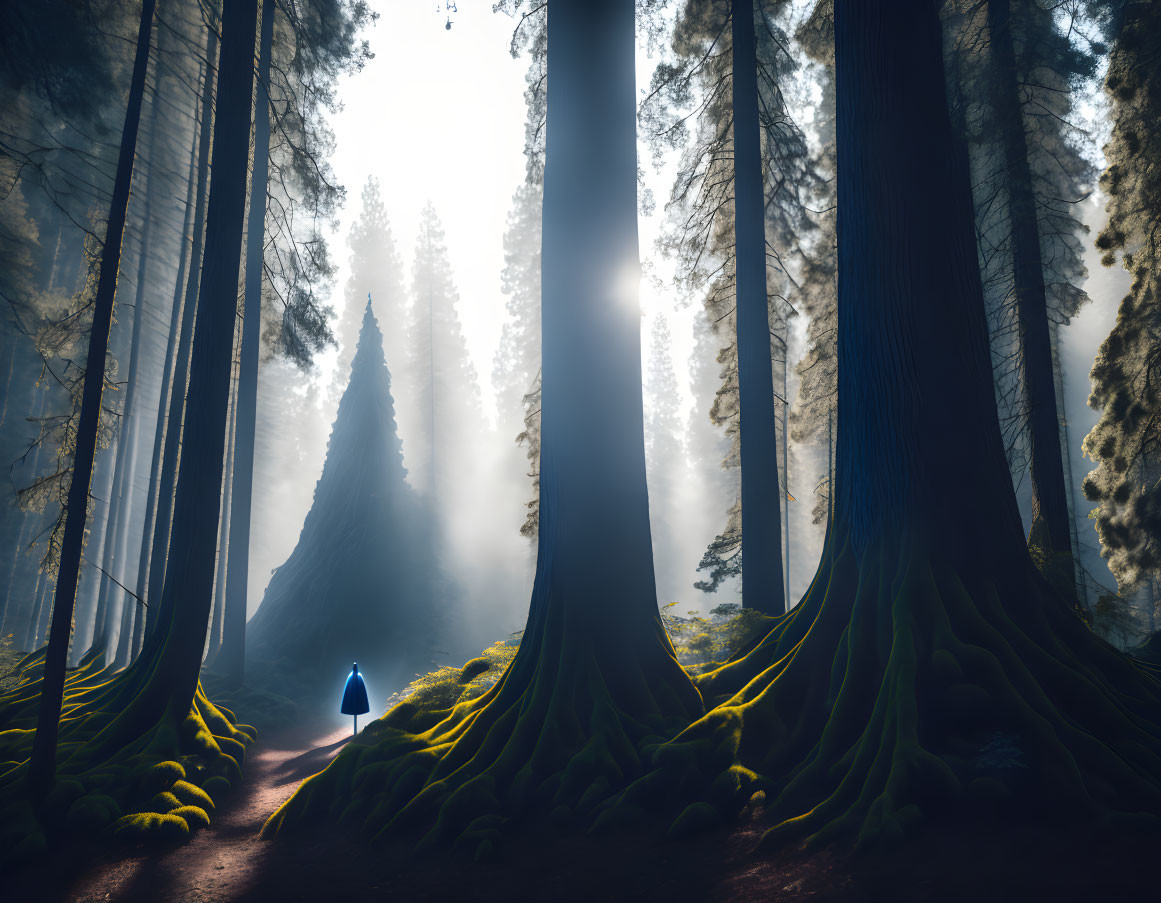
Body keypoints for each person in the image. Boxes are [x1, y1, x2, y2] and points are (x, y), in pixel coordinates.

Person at [341, 662, 370, 735]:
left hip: (357, 700)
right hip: (353, 699)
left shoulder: (358, 677)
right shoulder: (352, 677)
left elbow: (362, 692)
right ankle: (355, 733)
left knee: (356, 709)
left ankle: (355, 733)